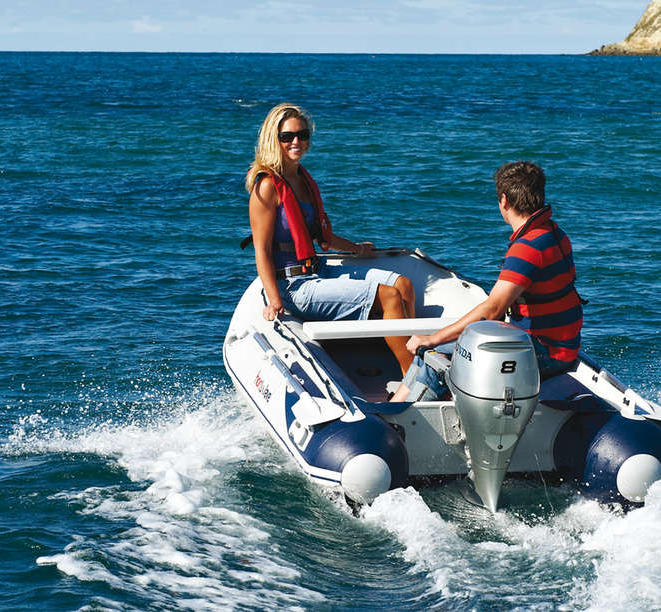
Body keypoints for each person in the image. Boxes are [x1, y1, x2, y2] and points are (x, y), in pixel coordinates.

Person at [390, 160, 583, 402]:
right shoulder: (554, 233)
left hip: (546, 352)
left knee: (433, 356)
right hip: (562, 345)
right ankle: (398, 404)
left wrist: (433, 338)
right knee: (438, 351)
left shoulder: (528, 247)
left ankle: (399, 420)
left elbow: (493, 309)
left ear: (504, 200)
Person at [246, 103, 415, 373]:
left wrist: (357, 249)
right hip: (293, 286)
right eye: (287, 136)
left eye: (302, 135)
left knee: (403, 284)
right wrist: (274, 299)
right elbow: (262, 250)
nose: (296, 142)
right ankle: (414, 381)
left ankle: (410, 359)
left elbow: (321, 237)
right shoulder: (266, 186)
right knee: (390, 296)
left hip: (318, 271)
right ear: (273, 139)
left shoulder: (301, 179)